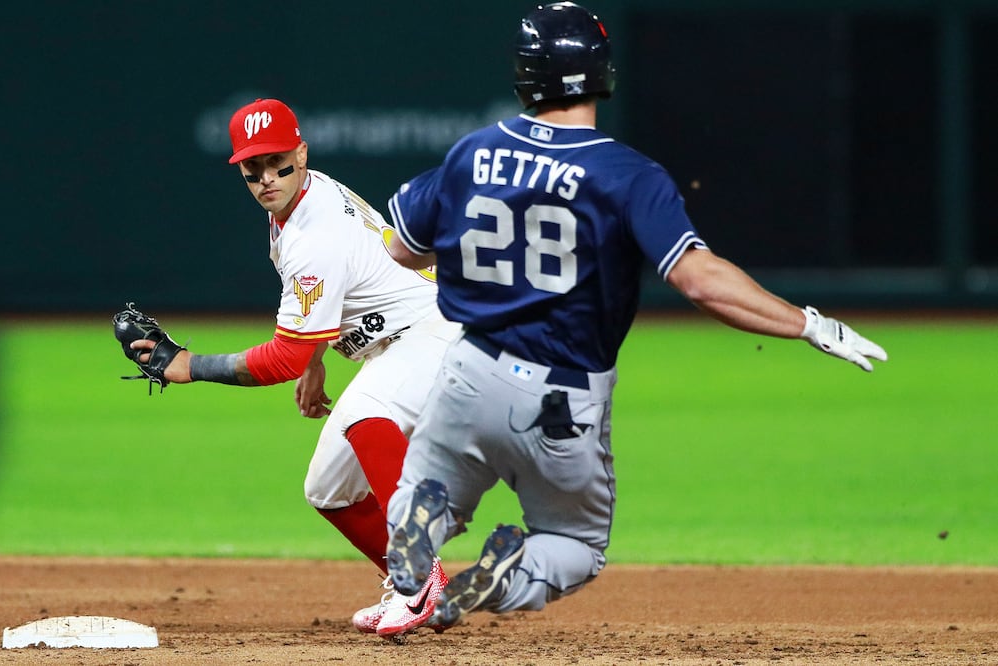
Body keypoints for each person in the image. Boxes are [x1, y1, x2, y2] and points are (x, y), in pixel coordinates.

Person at [380, 1, 889, 633]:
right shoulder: (627, 175)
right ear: (601, 72)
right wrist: (809, 324)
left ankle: (421, 522)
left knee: (423, 493)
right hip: (559, 397)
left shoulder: (470, 153)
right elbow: (700, 281)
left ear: (524, 74)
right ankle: (507, 573)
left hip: (468, 371)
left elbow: (403, 249)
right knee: (576, 545)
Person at [126, 98, 459, 639]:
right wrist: (317, 358)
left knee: (366, 414)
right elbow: (334, 300)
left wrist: (189, 365)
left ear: (301, 153)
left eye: (277, 162)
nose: (266, 177)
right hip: (406, 339)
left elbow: (284, 357)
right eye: (252, 167)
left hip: (436, 333)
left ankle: (420, 580)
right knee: (329, 489)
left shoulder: (311, 234)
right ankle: (419, 587)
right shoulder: (300, 202)